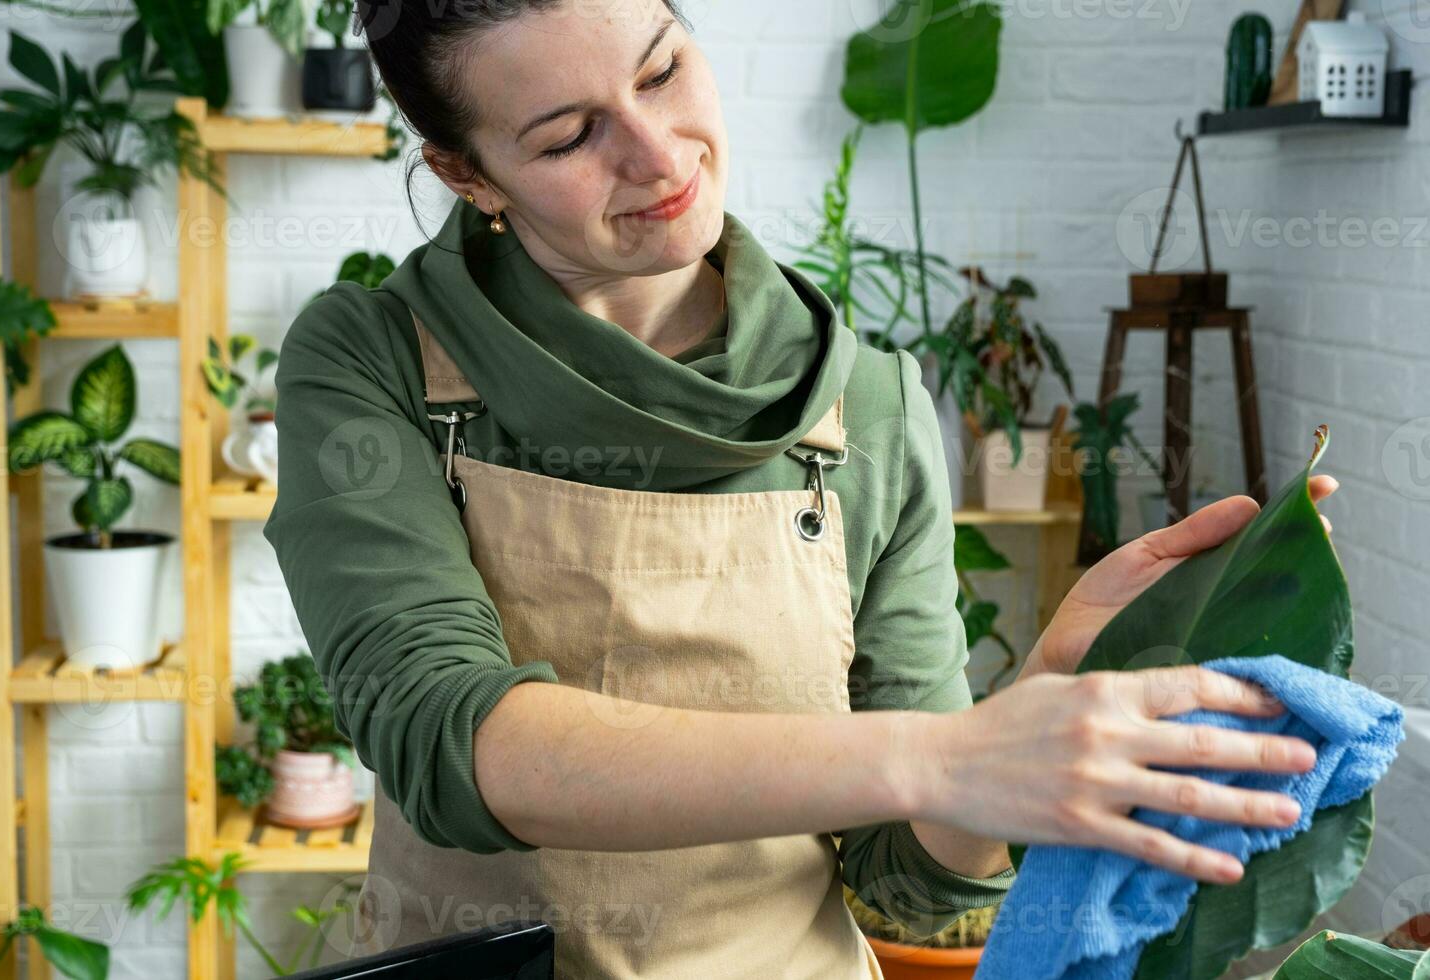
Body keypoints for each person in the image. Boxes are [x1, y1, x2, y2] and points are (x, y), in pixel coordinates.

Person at [262, 2, 1338, 976]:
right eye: (568, 135)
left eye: (662, 70)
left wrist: (1031, 694)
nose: (656, 152)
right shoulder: (373, 359)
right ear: (469, 175)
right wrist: (941, 753)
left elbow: (906, 878)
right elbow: (446, 732)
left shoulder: (865, 402)